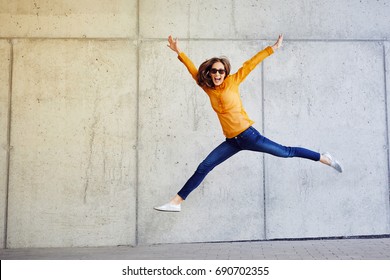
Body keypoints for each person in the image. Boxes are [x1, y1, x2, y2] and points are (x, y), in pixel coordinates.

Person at [154, 34, 342, 212]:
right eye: (214, 71)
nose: (218, 74)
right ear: (210, 73)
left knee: (286, 152)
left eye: (221, 71)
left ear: (225, 72)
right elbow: (193, 70)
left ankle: (324, 158)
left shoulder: (233, 81)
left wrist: (273, 48)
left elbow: (251, 64)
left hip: (249, 136)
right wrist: (179, 51)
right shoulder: (207, 88)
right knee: (204, 166)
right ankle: (176, 202)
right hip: (232, 141)